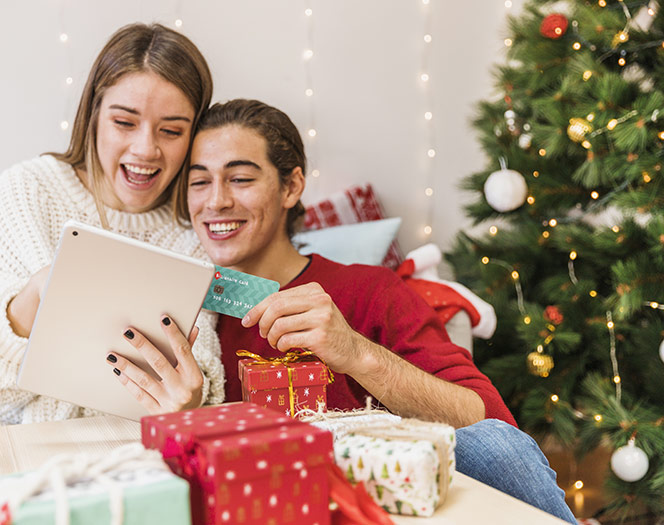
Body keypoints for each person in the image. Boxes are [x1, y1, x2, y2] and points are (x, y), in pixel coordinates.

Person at [177, 98, 578, 523]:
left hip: (374, 506)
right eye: (198, 182)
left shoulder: (369, 290)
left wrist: (356, 353)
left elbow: (492, 426)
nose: (215, 201)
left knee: (494, 445)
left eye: (239, 178)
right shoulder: (188, 309)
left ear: (291, 187)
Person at [0, 23, 225, 436]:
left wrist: (187, 400)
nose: (146, 149)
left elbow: (198, 376)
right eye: (124, 122)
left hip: (115, 448)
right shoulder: (28, 190)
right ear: (93, 116)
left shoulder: (193, 229)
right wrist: (36, 296)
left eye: (171, 131)